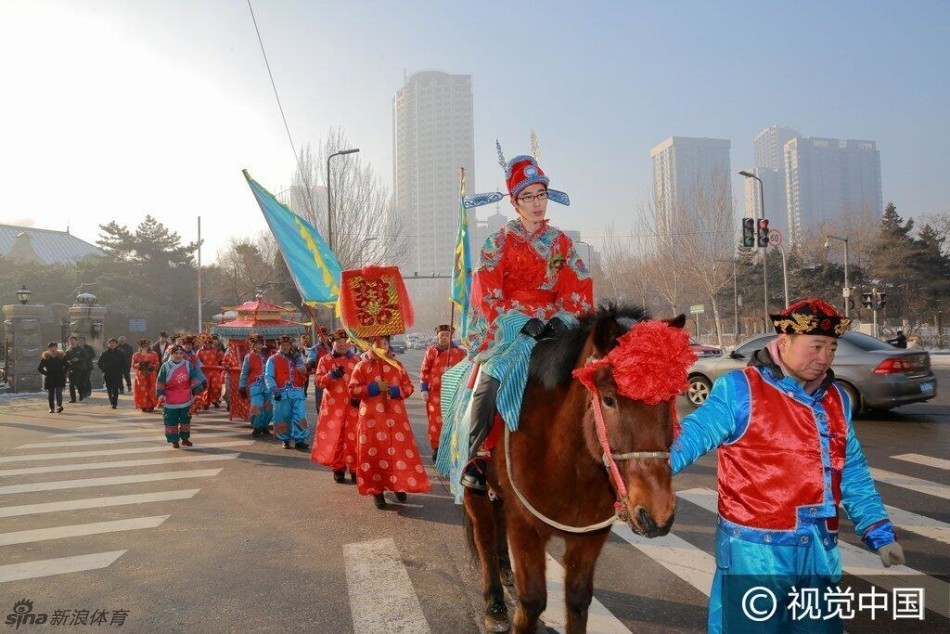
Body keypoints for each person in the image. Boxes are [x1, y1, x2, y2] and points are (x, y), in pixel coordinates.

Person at [671, 299, 905, 633]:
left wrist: (878, 531)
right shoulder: (740, 390)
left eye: (831, 348)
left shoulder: (835, 399)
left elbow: (851, 470)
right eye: (815, 346)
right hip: (755, 556)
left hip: (819, 553)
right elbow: (691, 437)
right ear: (784, 342)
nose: (824, 357)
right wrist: (632, 475)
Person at [460, 153, 593, 490]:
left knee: (591, 381)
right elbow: (485, 293)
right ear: (515, 202)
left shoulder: (561, 243)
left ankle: (593, 453)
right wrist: (517, 321)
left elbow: (577, 284)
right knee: (489, 384)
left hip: (553, 328)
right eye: (528, 197)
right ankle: (477, 456)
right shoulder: (499, 242)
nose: (537, 204)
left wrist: (564, 319)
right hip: (510, 331)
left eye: (542, 195)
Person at [348, 335, 430, 509]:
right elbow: (353, 389)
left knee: (398, 452)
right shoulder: (362, 366)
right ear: (370, 345)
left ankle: (399, 485)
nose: (381, 346)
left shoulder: (397, 365)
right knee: (374, 453)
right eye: (377, 343)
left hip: (396, 419)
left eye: (385, 343)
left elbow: (408, 387)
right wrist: (373, 388)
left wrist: (395, 390)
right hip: (371, 419)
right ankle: (377, 491)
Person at [310, 329, 361, 483]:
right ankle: (338, 467)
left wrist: (359, 396)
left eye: (344, 342)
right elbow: (318, 381)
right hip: (333, 407)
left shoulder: (357, 360)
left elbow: (364, 380)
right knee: (336, 437)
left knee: (353, 437)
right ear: (332, 343)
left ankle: (355, 468)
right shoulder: (326, 360)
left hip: (353, 405)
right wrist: (331, 375)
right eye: (338, 342)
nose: (342, 345)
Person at [420, 324, 466, 462]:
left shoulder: (459, 353)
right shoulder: (431, 351)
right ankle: (437, 449)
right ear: (438, 337)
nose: (444, 338)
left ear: (451, 336)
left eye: (447, 335)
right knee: (435, 422)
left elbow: (465, 371)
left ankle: (450, 450)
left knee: (452, 421)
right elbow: (424, 371)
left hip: (453, 393)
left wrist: (452, 371)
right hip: (434, 394)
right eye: (442, 335)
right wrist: (424, 388)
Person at [264, 335, 310, 451]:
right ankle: (285, 439)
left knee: (300, 415)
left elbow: (304, 371)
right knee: (283, 417)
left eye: (287, 345)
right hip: (281, 393)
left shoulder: (295, 357)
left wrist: (298, 361)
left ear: (290, 346)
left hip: (296, 391)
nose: (285, 347)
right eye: (283, 345)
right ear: (279, 346)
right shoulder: (273, 359)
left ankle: (300, 440)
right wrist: (274, 390)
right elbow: (268, 376)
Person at [156, 345, 205, 449]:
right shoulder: (165, 366)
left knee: (185, 420)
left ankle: (185, 439)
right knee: (170, 421)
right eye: (176, 353)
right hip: (170, 399)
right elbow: (160, 382)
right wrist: (160, 394)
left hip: (185, 398)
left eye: (181, 353)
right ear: (171, 354)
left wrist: (197, 393)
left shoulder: (188, 365)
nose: (178, 355)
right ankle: (174, 440)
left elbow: (193, 379)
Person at [239, 335, 272, 438]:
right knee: (256, 406)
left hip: (268, 385)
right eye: (256, 343)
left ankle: (264, 426)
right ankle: (257, 427)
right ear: (253, 345)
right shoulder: (249, 357)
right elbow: (244, 373)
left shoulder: (269, 355)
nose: (259, 345)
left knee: (268, 407)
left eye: (260, 343)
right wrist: (242, 386)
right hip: (255, 385)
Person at [38, 341, 67, 413]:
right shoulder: (46, 356)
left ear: (57, 347)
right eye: (52, 347)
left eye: (55, 347)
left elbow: (67, 366)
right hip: (50, 377)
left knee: (58, 392)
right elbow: (39, 368)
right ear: (49, 348)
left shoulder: (61, 356)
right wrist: (47, 373)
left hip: (59, 377)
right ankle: (52, 408)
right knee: (51, 394)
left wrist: (63, 372)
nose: (54, 348)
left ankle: (59, 406)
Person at [196, 335, 225, 409]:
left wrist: (224, 365)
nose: (207, 344)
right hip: (204, 372)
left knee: (217, 387)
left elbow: (223, 359)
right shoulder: (200, 351)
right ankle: (205, 402)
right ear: (203, 343)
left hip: (215, 371)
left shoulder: (216, 350)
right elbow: (196, 361)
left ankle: (215, 400)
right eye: (206, 342)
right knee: (206, 387)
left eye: (209, 343)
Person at [132, 338, 160, 412]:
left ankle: (151, 405)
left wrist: (152, 366)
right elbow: (133, 365)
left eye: (146, 346)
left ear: (148, 346)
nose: (144, 347)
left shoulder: (154, 354)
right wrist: (139, 364)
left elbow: (157, 363)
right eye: (143, 346)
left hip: (151, 374)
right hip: (141, 375)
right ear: (140, 347)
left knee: (151, 389)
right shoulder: (136, 355)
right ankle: (143, 405)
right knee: (142, 389)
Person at [97, 338, 126, 409]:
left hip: (117, 374)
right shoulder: (104, 353)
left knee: (115, 389)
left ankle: (114, 403)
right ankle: (111, 400)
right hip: (108, 374)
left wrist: (122, 371)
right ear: (108, 344)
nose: (112, 345)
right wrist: (104, 369)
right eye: (111, 343)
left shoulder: (120, 353)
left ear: (116, 344)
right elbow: (99, 363)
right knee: (109, 389)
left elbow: (125, 363)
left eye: (114, 343)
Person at [64, 336, 89, 403]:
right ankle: (73, 398)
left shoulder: (81, 349)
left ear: (76, 341)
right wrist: (68, 362)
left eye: (73, 340)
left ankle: (81, 394)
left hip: (80, 369)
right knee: (71, 384)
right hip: (72, 369)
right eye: (70, 341)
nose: (72, 342)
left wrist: (78, 359)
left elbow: (86, 358)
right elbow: (65, 360)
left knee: (78, 383)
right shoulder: (68, 351)